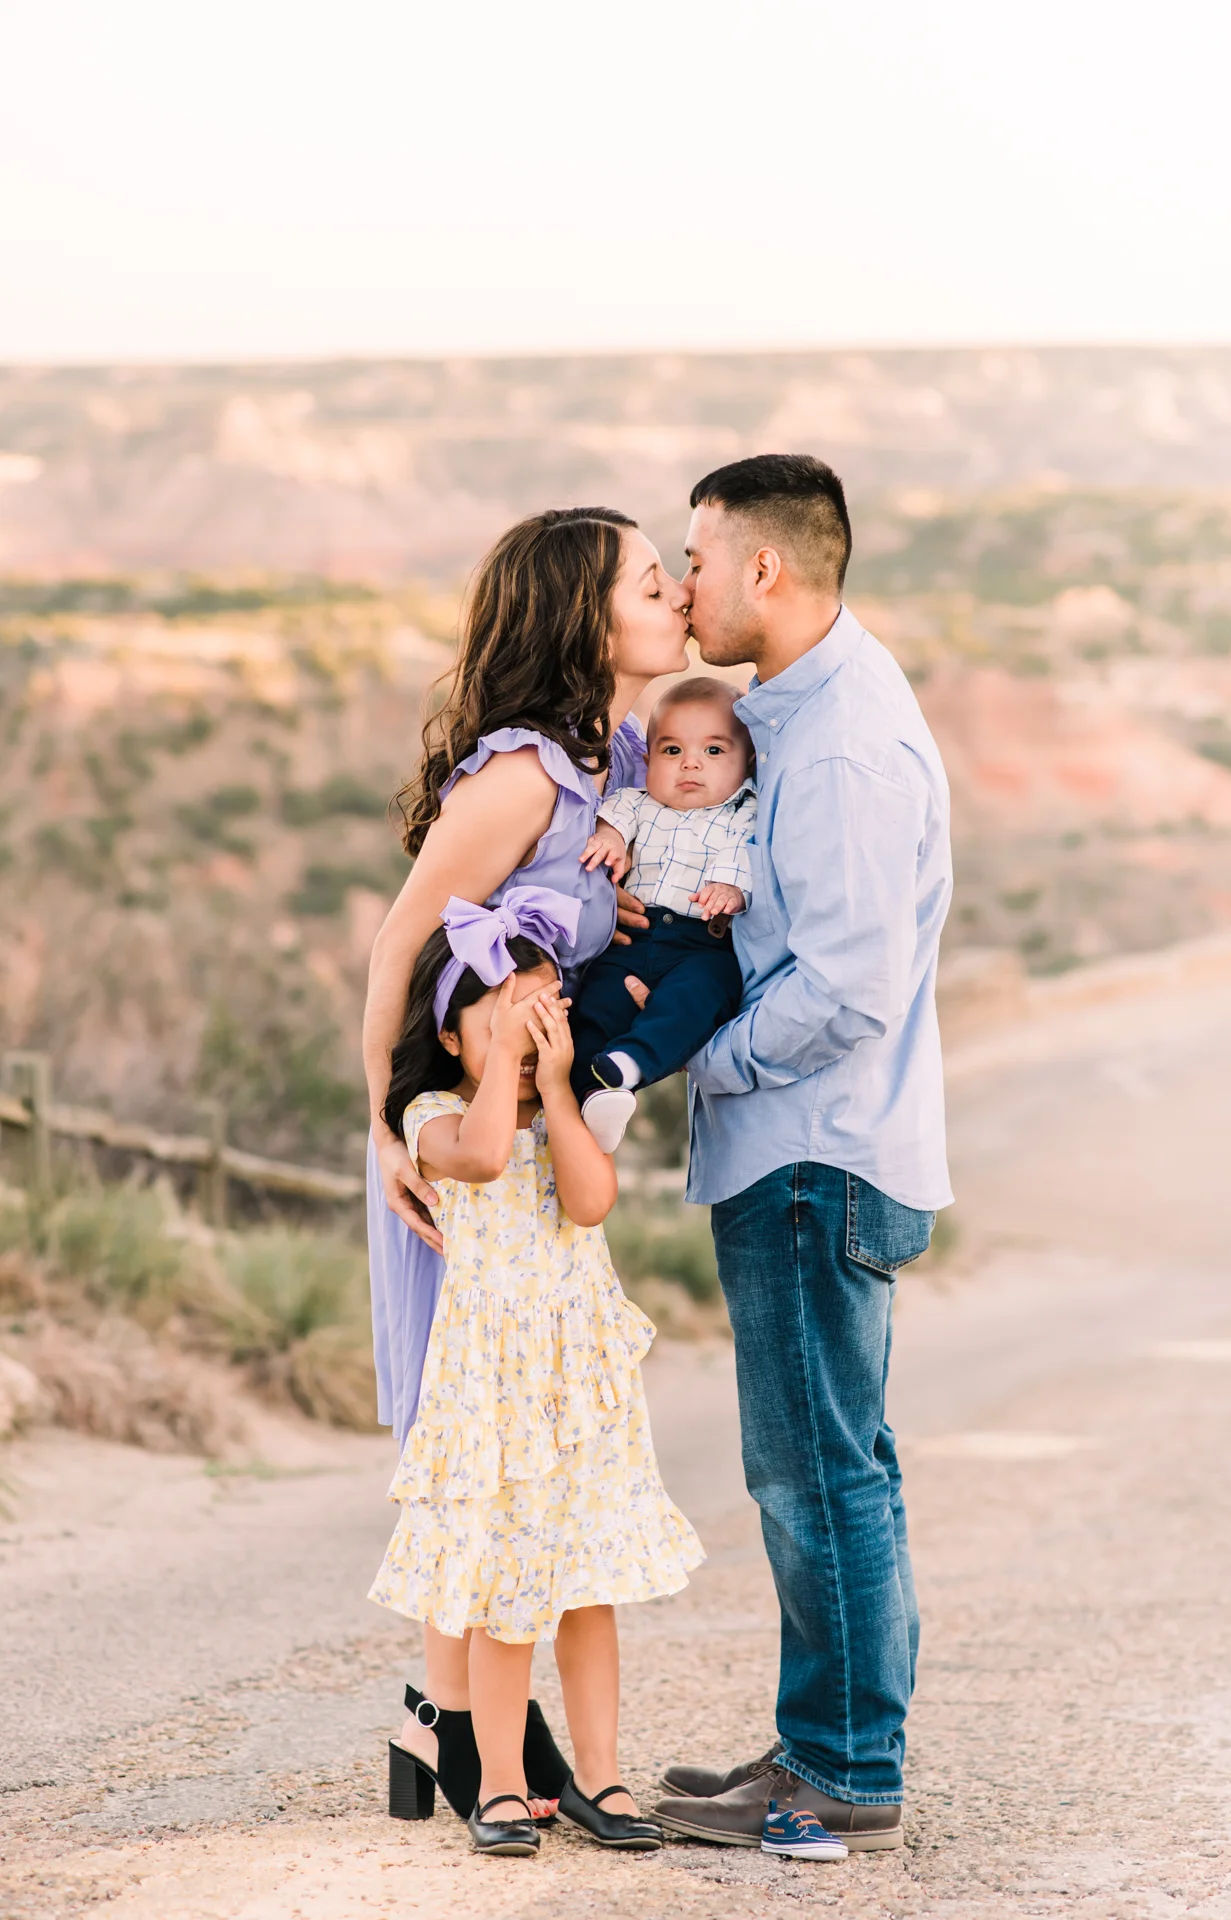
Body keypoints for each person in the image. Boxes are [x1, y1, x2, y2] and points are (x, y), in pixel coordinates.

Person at [363, 506, 691, 1822]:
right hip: (461, 1137)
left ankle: (451, 1736)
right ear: (583, 617)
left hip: (541, 1135)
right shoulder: (523, 778)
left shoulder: (613, 757)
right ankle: (454, 1739)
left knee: (514, 1462)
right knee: (476, 1469)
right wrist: (385, 1131)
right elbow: (399, 946)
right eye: (652, 583)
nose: (674, 597)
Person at [653, 454, 954, 1851]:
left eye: (698, 558)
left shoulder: (835, 745)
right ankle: (823, 1740)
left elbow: (846, 985)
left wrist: (700, 1066)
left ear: (764, 569)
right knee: (835, 1459)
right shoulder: (812, 706)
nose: (686, 581)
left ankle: (842, 1768)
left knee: (814, 1468)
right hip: (826, 1150)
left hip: (812, 1154)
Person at [370, 899, 702, 1856]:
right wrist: (506, 1068)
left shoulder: (565, 1111)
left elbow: (590, 1203)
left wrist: (556, 1084)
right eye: (500, 1023)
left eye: (543, 1013)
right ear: (448, 1033)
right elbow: (477, 1156)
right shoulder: (432, 1118)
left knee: (589, 1586)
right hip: (493, 1387)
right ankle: (503, 1785)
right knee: (507, 1586)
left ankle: (600, 1776)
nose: (524, 1040)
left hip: (582, 1380)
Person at [569, 675, 756, 1152]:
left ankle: (628, 1066)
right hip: (636, 936)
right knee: (595, 1006)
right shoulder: (636, 802)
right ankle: (591, 1093)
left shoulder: (745, 810)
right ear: (648, 760)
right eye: (672, 751)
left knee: (700, 997)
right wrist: (610, 840)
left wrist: (730, 890)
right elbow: (613, 823)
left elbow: (744, 854)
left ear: (746, 761)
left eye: (714, 751)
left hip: (700, 943)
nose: (691, 762)